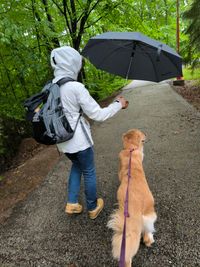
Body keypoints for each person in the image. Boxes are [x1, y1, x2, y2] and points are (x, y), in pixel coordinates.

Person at [50, 46, 129, 219]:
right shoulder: (74, 87)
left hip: (62, 141)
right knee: (89, 171)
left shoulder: (50, 87)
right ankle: (93, 207)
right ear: (72, 63)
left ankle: (72, 203)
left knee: (77, 165)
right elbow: (98, 114)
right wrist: (118, 104)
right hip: (79, 140)